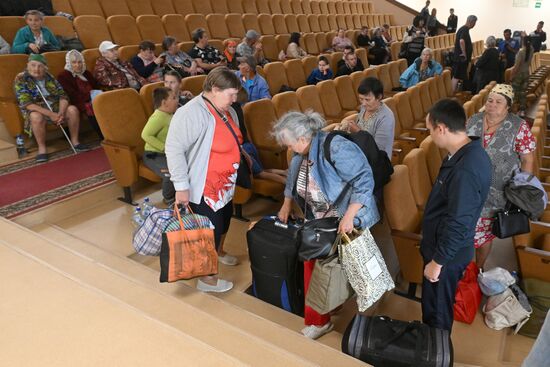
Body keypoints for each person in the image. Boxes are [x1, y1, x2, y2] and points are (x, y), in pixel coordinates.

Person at [274, 110, 379, 339]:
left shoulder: (336, 147)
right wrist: (286, 203)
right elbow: (292, 178)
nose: (287, 148)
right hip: (320, 220)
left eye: (288, 143)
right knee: (315, 267)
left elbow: (364, 179)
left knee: (359, 270)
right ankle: (319, 320)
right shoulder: (299, 154)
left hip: (347, 216)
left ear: (302, 138)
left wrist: (350, 215)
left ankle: (367, 325)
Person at [165, 67, 243, 292]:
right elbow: (174, 149)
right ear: (215, 89)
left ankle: (219, 252)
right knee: (208, 230)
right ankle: (207, 279)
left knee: (225, 221)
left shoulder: (226, 108)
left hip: (224, 185)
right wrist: (181, 186)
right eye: (231, 94)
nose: (235, 99)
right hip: (204, 186)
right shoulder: (191, 113)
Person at [421, 98, 491, 332]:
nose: (430, 136)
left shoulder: (465, 168)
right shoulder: (467, 152)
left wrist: (438, 262)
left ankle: (437, 356)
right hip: (447, 248)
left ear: (441, 128)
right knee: (435, 307)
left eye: (430, 130)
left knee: (438, 312)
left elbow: (459, 222)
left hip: (446, 255)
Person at [465, 84, 536, 269]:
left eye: (499, 101)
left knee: (484, 235)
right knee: (465, 230)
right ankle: (462, 268)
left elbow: (528, 159)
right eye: (490, 100)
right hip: (469, 188)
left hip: (498, 192)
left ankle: (478, 268)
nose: (492, 104)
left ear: (507, 106)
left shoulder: (518, 126)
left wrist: (522, 189)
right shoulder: (474, 120)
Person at [14, 54, 89, 163]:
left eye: (40, 66)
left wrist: (61, 113)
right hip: (36, 109)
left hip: (55, 107)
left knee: (72, 110)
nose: (36, 69)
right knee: (36, 117)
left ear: (45, 68)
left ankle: (75, 142)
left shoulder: (49, 76)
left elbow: (63, 96)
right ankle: (42, 149)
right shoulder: (21, 78)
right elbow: (27, 103)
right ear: (27, 65)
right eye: (33, 65)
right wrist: (51, 114)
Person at [338, 77, 395, 157]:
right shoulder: (365, 108)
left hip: (375, 162)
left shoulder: (386, 117)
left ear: (379, 97)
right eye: (361, 99)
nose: (363, 103)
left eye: (367, 100)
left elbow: (378, 150)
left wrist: (358, 132)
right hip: (359, 153)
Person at [141, 87, 178, 206]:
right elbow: (145, 134)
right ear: (164, 103)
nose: (177, 100)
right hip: (153, 155)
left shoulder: (169, 114)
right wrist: (164, 148)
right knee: (170, 172)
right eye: (173, 98)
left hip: (167, 153)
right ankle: (169, 199)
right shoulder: (158, 117)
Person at [57, 50, 103, 140]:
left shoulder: (86, 73)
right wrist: (90, 97)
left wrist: (97, 95)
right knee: (91, 107)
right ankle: (103, 136)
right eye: (74, 62)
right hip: (79, 101)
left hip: (95, 97)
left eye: (79, 62)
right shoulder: (63, 76)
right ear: (69, 63)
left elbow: (96, 87)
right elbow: (71, 94)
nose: (77, 65)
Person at [452, 15, 477, 92]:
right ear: (471, 22)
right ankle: (451, 94)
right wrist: (464, 53)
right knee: (456, 77)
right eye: (475, 22)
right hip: (460, 59)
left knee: (458, 77)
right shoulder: (465, 29)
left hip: (460, 59)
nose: (474, 25)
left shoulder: (464, 29)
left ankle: (455, 93)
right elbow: (461, 41)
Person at [511, 34, 534, 115]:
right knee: (523, 93)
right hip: (526, 73)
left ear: (523, 42)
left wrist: (512, 76)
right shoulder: (531, 49)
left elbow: (517, 66)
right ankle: (522, 111)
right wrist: (525, 36)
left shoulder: (521, 52)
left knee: (515, 93)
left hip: (519, 75)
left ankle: (513, 111)